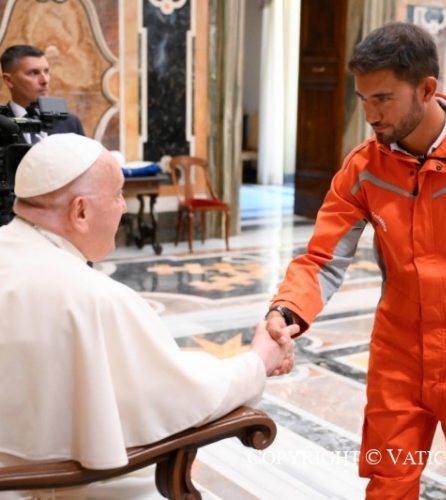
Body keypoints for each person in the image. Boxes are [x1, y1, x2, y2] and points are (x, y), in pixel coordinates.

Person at [265, 22, 446, 498]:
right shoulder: (364, 167)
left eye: (383, 99)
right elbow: (322, 257)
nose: (370, 114)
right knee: (388, 485)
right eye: (363, 99)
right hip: (398, 356)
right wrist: (286, 311)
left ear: (426, 89)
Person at [0, 133, 297, 499]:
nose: (124, 207)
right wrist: (259, 360)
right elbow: (184, 396)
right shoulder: (95, 298)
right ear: (80, 212)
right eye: (116, 195)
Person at [0, 44, 85, 143]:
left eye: (46, 71)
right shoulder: (2, 125)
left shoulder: (70, 122)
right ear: (8, 80)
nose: (45, 80)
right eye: (33, 73)